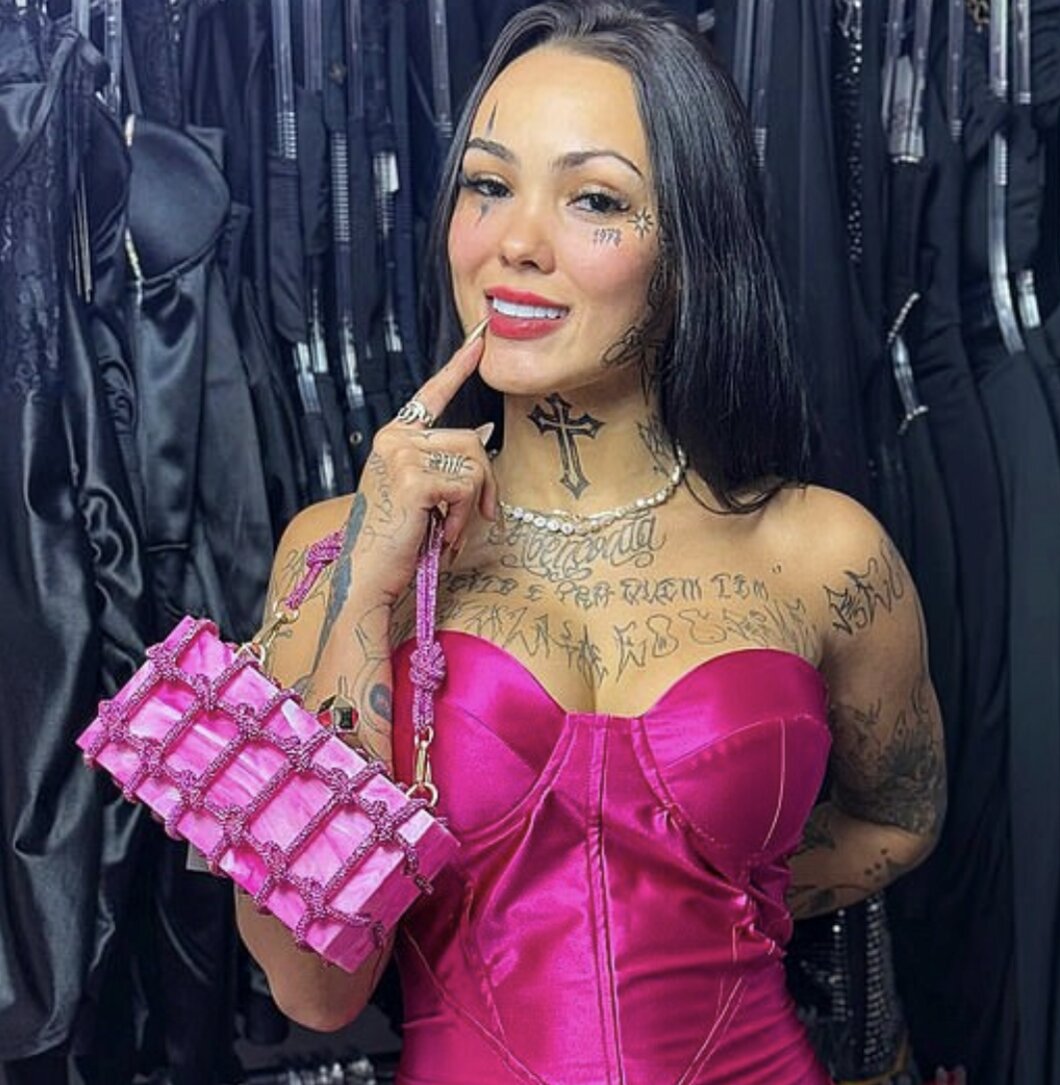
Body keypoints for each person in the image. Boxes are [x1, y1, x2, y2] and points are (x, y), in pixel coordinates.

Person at [236, 3, 947, 1082]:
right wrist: (370, 590)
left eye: (595, 199)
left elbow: (899, 815)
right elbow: (313, 988)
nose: (515, 242)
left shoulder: (823, 553)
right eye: (488, 184)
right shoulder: (330, 552)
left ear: (692, 248)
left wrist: (728, 891)